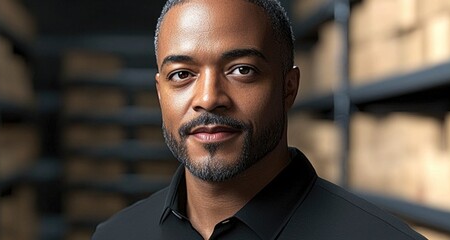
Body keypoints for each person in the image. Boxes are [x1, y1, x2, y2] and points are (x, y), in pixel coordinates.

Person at [92, 0, 426, 239]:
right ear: (160, 91)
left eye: (242, 70)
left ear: (289, 87)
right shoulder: (116, 234)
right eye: (182, 74)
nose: (208, 98)